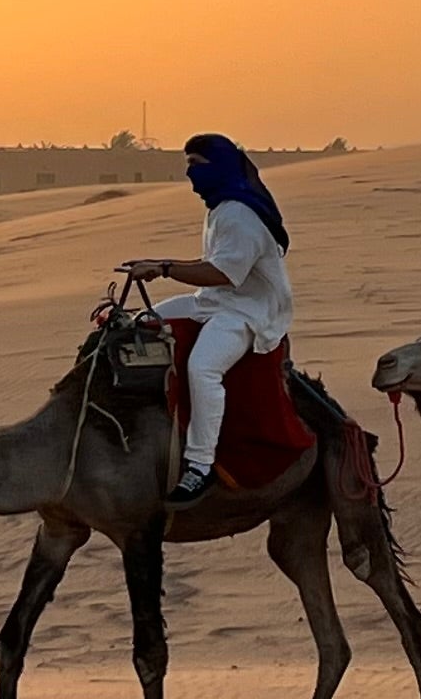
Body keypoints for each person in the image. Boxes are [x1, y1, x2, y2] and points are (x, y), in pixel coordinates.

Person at [121, 133, 296, 508]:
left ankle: (199, 466)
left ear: (218, 167)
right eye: (187, 164)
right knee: (140, 323)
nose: (190, 173)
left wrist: (164, 268)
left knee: (203, 368)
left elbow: (222, 273)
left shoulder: (240, 214)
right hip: (214, 301)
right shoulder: (220, 208)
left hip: (248, 311)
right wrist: (158, 266)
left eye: (196, 164)